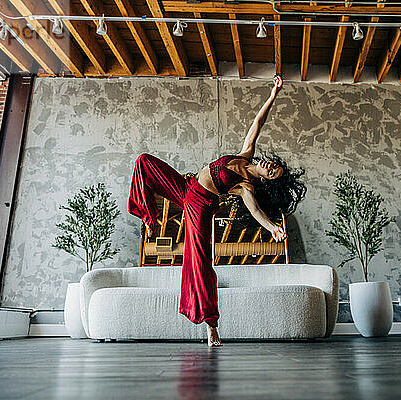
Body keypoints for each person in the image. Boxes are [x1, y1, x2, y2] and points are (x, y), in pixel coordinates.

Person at [128, 76, 306, 347]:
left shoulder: (246, 187)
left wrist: (272, 227)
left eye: (273, 173)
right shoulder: (245, 155)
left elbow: (256, 212)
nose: (270, 167)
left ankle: (212, 326)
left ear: (268, 181)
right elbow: (257, 123)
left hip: (200, 207)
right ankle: (148, 215)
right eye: (274, 165)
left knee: (199, 262)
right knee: (144, 162)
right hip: (186, 187)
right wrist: (274, 93)